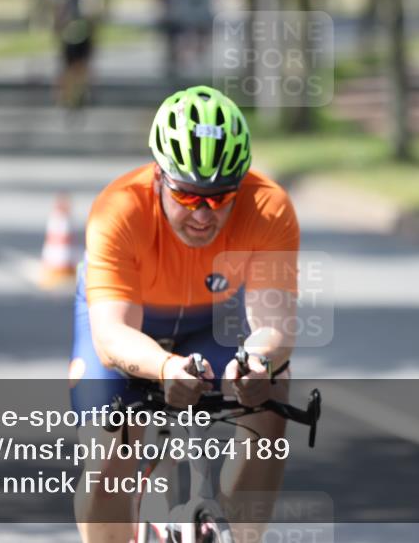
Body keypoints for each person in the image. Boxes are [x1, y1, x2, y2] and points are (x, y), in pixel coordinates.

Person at [68, 86, 300, 542]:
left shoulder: (268, 207)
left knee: (274, 391)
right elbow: (112, 335)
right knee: (108, 454)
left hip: (210, 321)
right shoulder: (119, 209)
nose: (203, 215)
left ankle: (244, 534)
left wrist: (257, 361)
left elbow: (274, 324)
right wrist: (166, 367)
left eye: (219, 198)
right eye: (188, 196)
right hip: (131, 326)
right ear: (159, 175)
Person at [54, 0, 93, 110]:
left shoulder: (75, 17)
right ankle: (74, 96)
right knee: (74, 72)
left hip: (76, 47)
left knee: (75, 72)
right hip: (74, 47)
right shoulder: (74, 17)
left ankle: (75, 96)